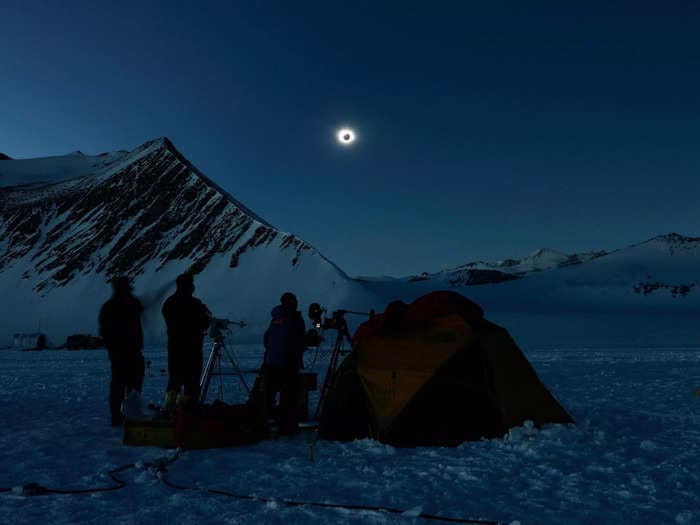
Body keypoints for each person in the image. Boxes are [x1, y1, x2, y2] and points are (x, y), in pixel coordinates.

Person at [99, 276, 145, 426]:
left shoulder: (109, 306)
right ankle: (128, 416)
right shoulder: (129, 304)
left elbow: (104, 333)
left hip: (121, 354)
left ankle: (119, 417)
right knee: (130, 386)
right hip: (127, 353)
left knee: (121, 387)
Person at [162, 272, 211, 408]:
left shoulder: (169, 303)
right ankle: (189, 411)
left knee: (174, 381)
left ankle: (170, 410)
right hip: (193, 350)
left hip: (175, 349)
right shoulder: (196, 304)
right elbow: (204, 323)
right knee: (192, 383)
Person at [262, 292, 306, 432]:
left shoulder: (276, 318)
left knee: (269, 394)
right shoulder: (295, 318)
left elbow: (267, 338)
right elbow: (298, 340)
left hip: (271, 362)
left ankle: (266, 421)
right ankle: (287, 424)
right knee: (288, 395)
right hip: (288, 363)